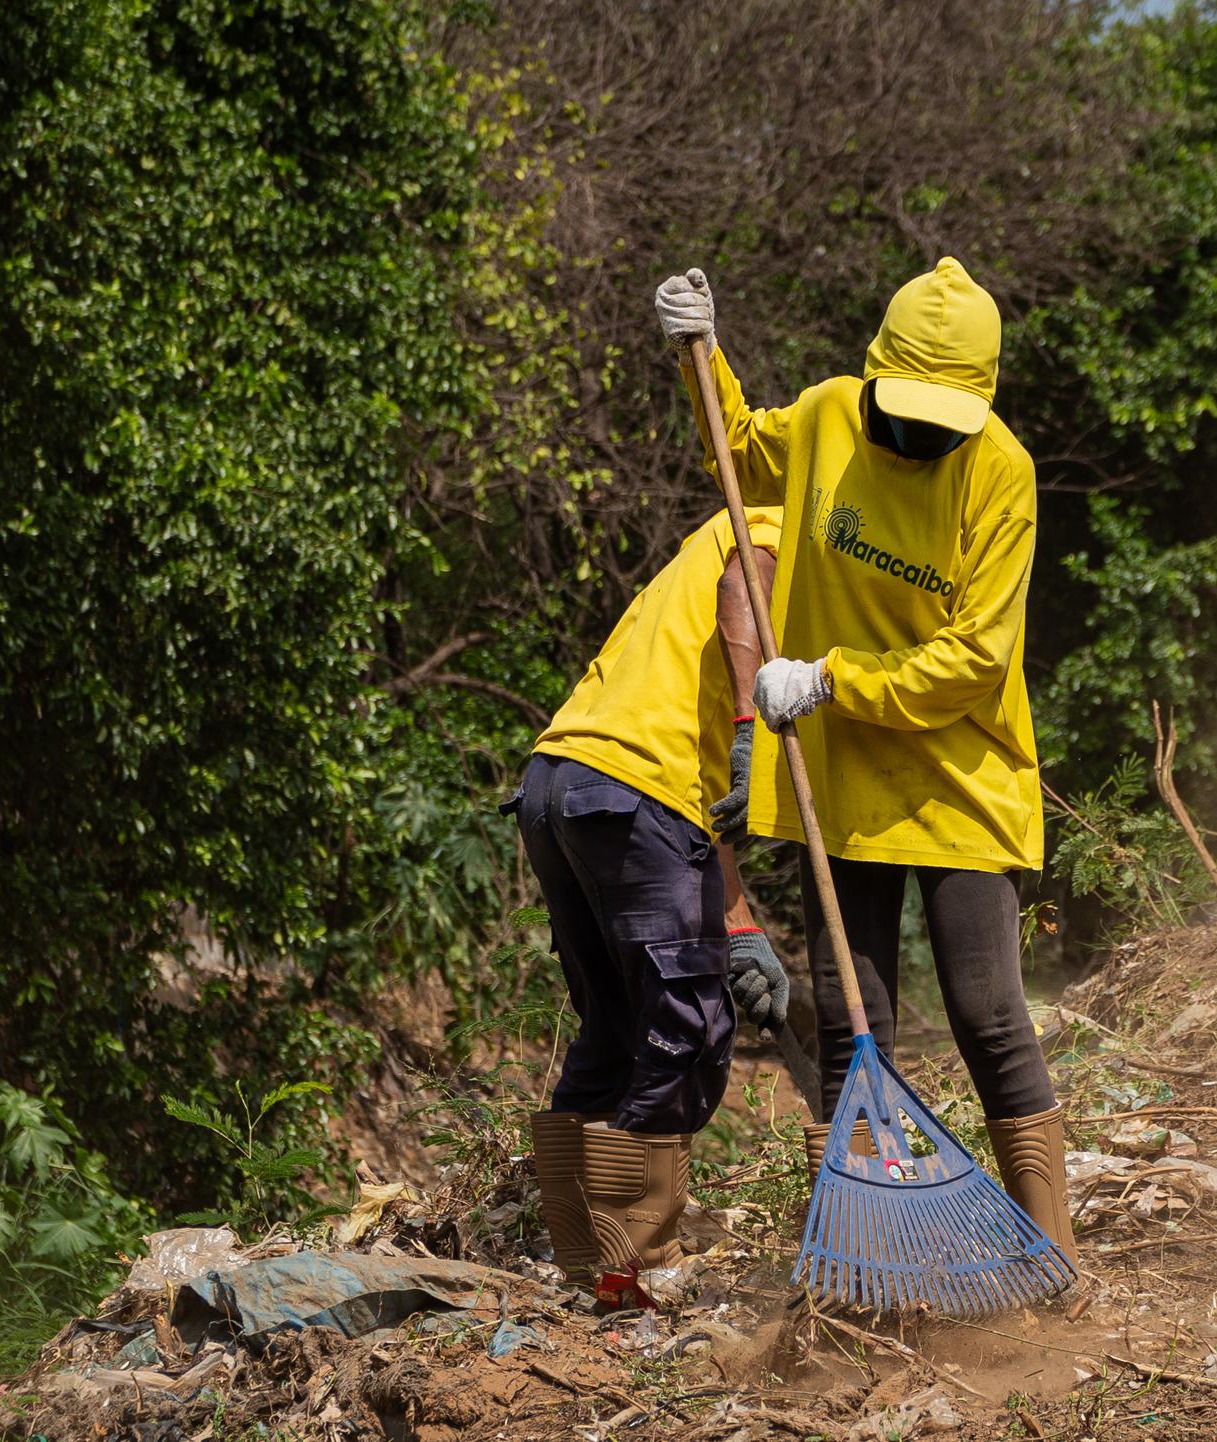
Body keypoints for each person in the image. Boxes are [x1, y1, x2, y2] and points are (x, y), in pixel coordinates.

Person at [651, 258, 1075, 1262]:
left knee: (985, 1008)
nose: (920, 433)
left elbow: (975, 660)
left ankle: (1054, 1252)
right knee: (854, 1015)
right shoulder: (834, 416)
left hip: (958, 771)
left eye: (943, 418)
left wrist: (836, 678)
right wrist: (702, 356)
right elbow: (742, 452)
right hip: (840, 776)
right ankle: (856, 1254)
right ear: (877, 377)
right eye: (907, 409)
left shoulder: (999, 469)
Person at [512, 508, 793, 1283]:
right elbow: (748, 582)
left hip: (558, 782)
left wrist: (736, 925)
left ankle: (580, 1261)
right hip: (636, 793)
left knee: (612, 1028)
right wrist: (750, 728)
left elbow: (699, 802)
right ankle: (635, 1267)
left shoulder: (689, 559)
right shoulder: (777, 517)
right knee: (687, 1029)